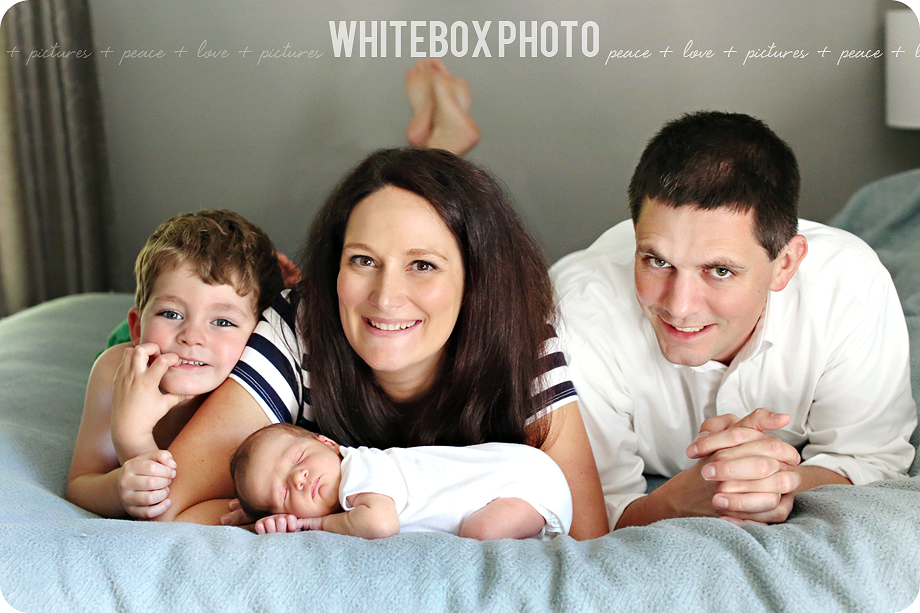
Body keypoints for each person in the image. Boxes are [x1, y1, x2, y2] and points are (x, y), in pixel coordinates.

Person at [156, 147, 609, 540]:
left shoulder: (518, 338)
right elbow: (174, 508)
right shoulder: (301, 327)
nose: (386, 297)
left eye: (423, 265)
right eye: (363, 260)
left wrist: (334, 514)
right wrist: (288, 518)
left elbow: (585, 534)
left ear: (477, 281)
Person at [552, 111, 917, 530]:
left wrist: (780, 484)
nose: (681, 306)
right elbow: (587, 519)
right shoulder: (574, 315)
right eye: (656, 261)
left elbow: (871, 459)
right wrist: (679, 502)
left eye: (720, 271)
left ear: (785, 265)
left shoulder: (848, 287)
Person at [65, 210, 284, 519]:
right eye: (171, 313)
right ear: (138, 327)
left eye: (222, 321)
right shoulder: (113, 372)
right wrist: (118, 489)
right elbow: (80, 483)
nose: (192, 337)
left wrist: (134, 442)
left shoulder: (248, 397)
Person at [229, 423, 573, 540]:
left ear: (328, 443)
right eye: (285, 491)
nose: (300, 479)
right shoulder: (355, 476)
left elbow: (379, 525)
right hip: (524, 475)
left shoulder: (358, 471)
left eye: (299, 459)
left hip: (527, 481)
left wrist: (310, 523)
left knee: (479, 535)